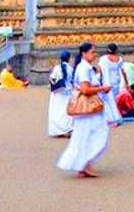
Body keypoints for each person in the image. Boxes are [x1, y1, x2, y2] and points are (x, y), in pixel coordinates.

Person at [56, 43, 112, 178]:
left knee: (86, 136)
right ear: (84, 53)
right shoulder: (84, 68)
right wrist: (102, 88)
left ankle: (84, 164)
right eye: (92, 52)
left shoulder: (86, 67)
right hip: (87, 108)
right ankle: (85, 163)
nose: (95, 54)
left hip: (89, 108)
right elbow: (85, 89)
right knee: (97, 134)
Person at [48, 51, 74, 137]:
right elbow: (72, 81)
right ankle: (68, 129)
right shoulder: (71, 69)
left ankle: (59, 130)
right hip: (67, 93)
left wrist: (55, 84)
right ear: (68, 59)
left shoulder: (56, 68)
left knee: (57, 112)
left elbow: (51, 79)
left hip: (58, 92)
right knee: (66, 112)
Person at [98, 44, 124, 127]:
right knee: (113, 101)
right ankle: (115, 117)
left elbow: (99, 70)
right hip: (116, 82)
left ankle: (114, 119)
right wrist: (126, 83)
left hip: (107, 83)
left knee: (109, 102)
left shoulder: (103, 59)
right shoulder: (119, 59)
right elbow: (123, 71)